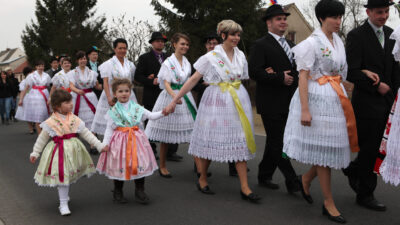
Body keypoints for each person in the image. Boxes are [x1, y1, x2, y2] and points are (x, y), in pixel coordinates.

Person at [164, 20, 261, 203]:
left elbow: (244, 78)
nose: (236, 38)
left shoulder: (240, 55)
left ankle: (245, 187)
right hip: (216, 102)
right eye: (232, 34)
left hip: (238, 100)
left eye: (238, 35)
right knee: (211, 142)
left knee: (240, 139)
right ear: (223, 35)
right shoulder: (211, 57)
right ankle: (202, 179)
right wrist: (175, 100)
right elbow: (193, 80)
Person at [283, 0, 356, 223]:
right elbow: (302, 76)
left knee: (330, 148)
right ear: (322, 18)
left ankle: (305, 179)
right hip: (315, 98)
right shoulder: (310, 44)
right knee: (326, 151)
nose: (338, 21)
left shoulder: (339, 42)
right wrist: (305, 109)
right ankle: (328, 202)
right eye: (334, 17)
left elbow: (342, 73)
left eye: (340, 17)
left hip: (334, 99)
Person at [344, 0, 400, 211]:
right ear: (368, 12)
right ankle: (365, 194)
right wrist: (375, 86)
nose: (384, 15)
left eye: (386, 11)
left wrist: (396, 94)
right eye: (379, 12)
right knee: (371, 149)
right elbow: (352, 71)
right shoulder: (356, 36)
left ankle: (354, 168)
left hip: (389, 102)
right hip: (367, 103)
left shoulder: (392, 34)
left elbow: (395, 68)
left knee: (377, 147)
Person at [29, 89, 108, 216]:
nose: (71, 104)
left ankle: (64, 196)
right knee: (62, 176)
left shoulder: (75, 119)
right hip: (58, 152)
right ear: (57, 106)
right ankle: (63, 203)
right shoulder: (51, 122)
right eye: (66, 102)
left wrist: (99, 145)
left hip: (73, 152)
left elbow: (86, 133)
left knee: (67, 176)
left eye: (71, 101)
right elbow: (42, 139)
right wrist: (35, 153)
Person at [248, 4, 300, 192]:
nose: (283, 21)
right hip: (270, 102)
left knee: (274, 140)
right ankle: (293, 181)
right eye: (279, 19)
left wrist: (290, 75)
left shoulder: (293, 46)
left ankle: (264, 175)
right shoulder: (261, 44)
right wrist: (279, 77)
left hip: (289, 102)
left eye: (284, 18)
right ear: (269, 23)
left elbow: (297, 70)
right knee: (279, 142)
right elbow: (254, 71)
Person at [97, 78, 163, 204]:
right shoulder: (113, 111)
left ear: (130, 92)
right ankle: (118, 190)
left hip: (137, 141)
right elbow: (109, 129)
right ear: (115, 94)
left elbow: (151, 116)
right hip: (119, 143)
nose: (124, 93)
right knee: (119, 165)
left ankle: (140, 190)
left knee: (139, 164)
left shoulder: (136, 108)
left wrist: (164, 112)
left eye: (126, 91)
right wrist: (104, 144)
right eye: (120, 91)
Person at [145, 33, 197, 178]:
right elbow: (165, 83)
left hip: (185, 97)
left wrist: (181, 95)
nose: (185, 47)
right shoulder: (168, 62)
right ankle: (162, 165)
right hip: (170, 96)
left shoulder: (187, 62)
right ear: (174, 44)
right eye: (182, 44)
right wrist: (175, 97)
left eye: (187, 44)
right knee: (165, 135)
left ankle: (199, 167)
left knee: (193, 133)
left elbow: (189, 81)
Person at [135, 32, 181, 161]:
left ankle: (171, 151)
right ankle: (151, 149)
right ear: (152, 43)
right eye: (157, 41)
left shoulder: (170, 57)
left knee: (171, 121)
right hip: (151, 94)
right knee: (151, 122)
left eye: (162, 41)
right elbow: (138, 76)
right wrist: (151, 80)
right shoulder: (144, 58)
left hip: (168, 94)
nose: (160, 43)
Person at [91, 38, 137, 135]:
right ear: (115, 49)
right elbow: (105, 82)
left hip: (127, 94)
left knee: (128, 122)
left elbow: (132, 79)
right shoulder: (108, 64)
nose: (122, 51)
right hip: (112, 95)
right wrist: (109, 97)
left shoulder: (130, 64)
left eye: (124, 48)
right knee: (112, 124)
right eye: (120, 48)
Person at [68, 51, 101, 154]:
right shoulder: (72, 73)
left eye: (84, 59)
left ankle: (93, 145)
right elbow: (71, 86)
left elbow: (97, 86)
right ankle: (76, 145)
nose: (83, 60)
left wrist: (107, 84)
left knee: (92, 120)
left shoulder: (92, 73)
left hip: (90, 98)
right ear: (77, 61)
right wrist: (77, 91)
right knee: (77, 121)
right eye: (81, 59)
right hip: (77, 97)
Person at [18, 60, 51, 134]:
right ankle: (40, 135)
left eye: (42, 66)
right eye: (39, 66)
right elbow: (26, 88)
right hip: (35, 97)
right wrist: (21, 99)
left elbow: (49, 85)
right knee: (38, 117)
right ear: (36, 67)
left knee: (44, 115)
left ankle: (44, 133)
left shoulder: (46, 75)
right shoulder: (31, 76)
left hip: (44, 94)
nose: (41, 67)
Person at [15, 66, 35, 133]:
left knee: (34, 112)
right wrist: (21, 100)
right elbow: (22, 91)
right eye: (32, 72)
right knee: (28, 113)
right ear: (28, 73)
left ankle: (34, 125)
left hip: (35, 97)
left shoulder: (35, 80)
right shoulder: (24, 82)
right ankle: (31, 128)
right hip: (27, 98)